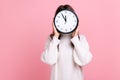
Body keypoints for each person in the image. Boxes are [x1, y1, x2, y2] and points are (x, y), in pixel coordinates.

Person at [41, 4, 93, 80]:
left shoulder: (81, 39)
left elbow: (85, 60)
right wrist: (55, 38)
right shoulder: (52, 40)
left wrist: (75, 39)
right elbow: (49, 60)